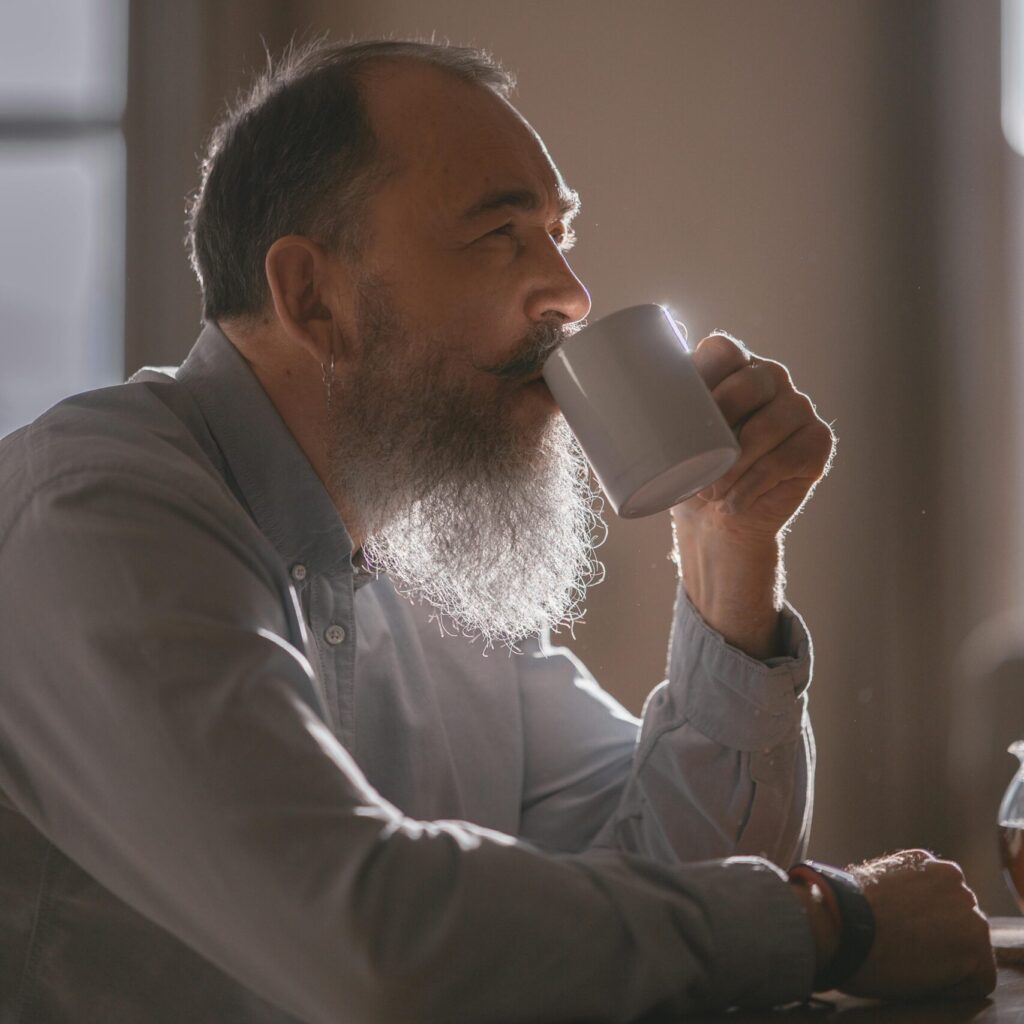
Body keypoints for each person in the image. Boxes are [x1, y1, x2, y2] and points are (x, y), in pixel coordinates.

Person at [0, 38, 994, 1024]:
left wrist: (728, 552)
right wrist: (828, 922)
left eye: (561, 234)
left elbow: (666, 875)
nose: (570, 293)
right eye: (502, 236)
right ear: (313, 296)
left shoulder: (417, 554)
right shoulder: (96, 513)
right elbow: (375, 943)